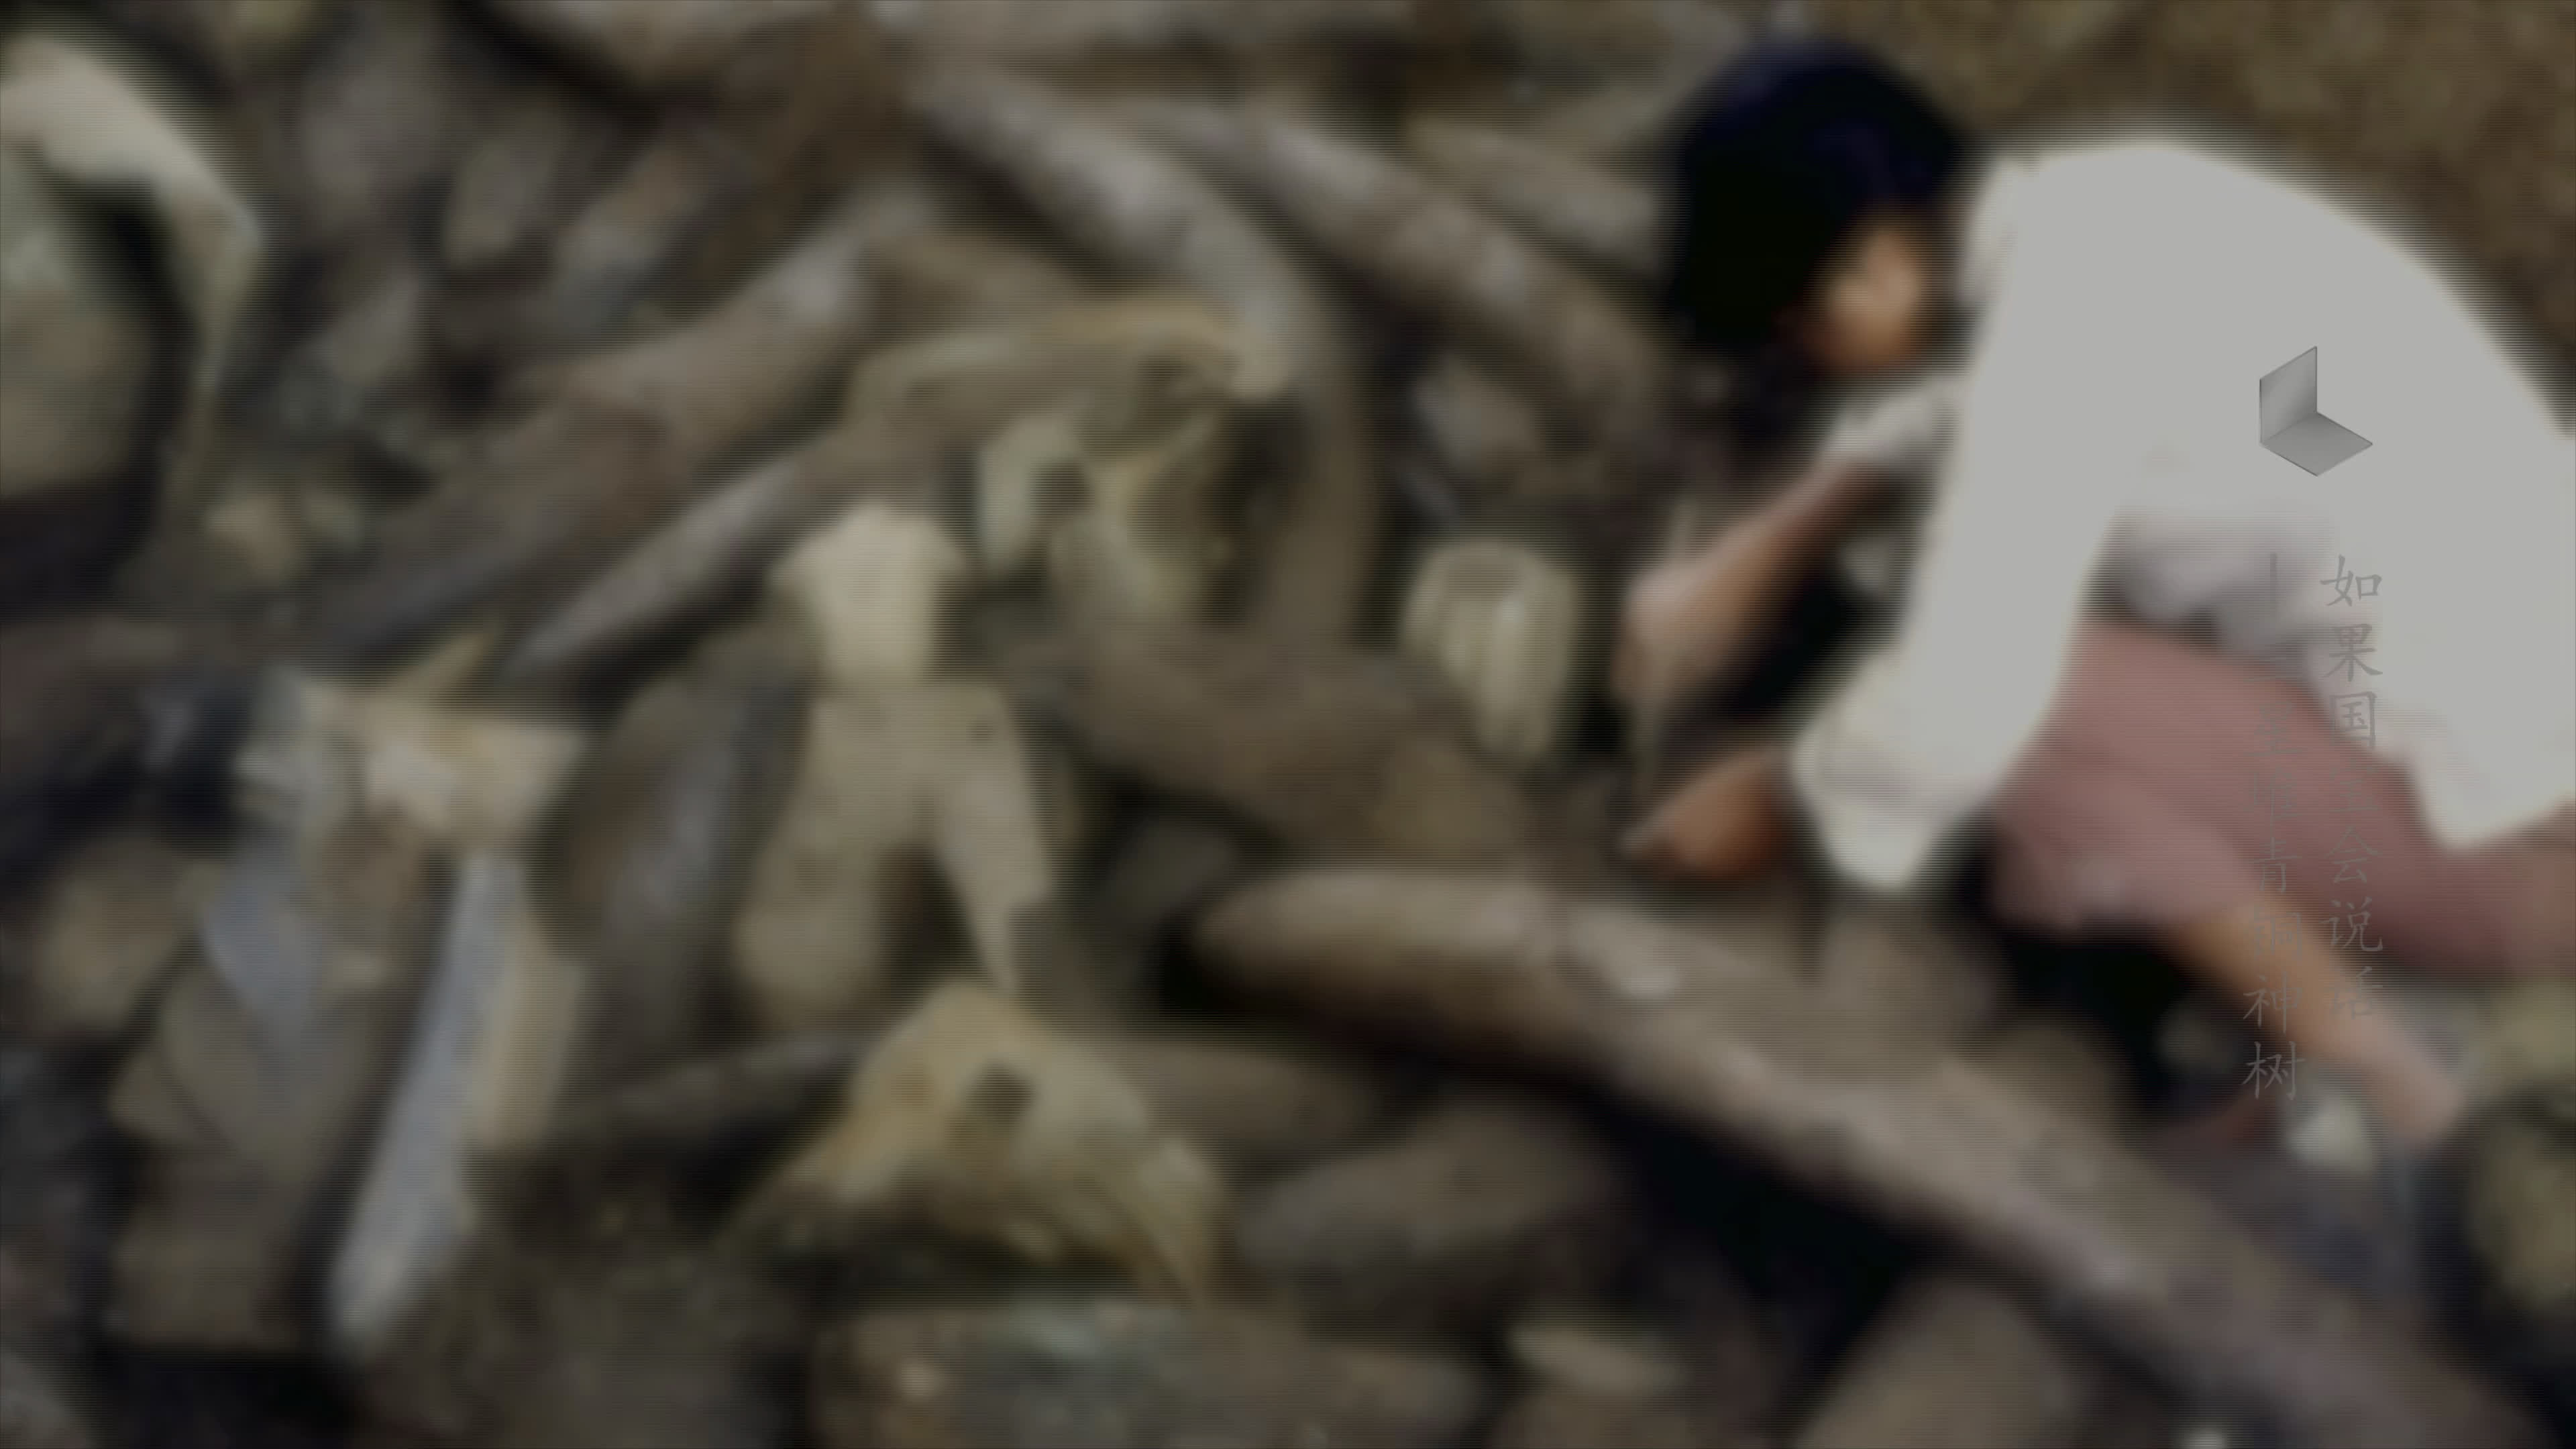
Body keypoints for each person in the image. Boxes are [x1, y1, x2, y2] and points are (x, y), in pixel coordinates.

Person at [1619, 38, 2576, 1155]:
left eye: (1801, 328)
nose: (1810, 360)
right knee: (2091, 645)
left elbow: (1962, 697)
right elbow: (1978, 407)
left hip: (2536, 840)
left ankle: (2391, 1083)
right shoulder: (2109, 207)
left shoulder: (2059, 330)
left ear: (1876, 262)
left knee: (2040, 716)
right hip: (2524, 709)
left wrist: (1789, 788)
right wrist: (1762, 548)